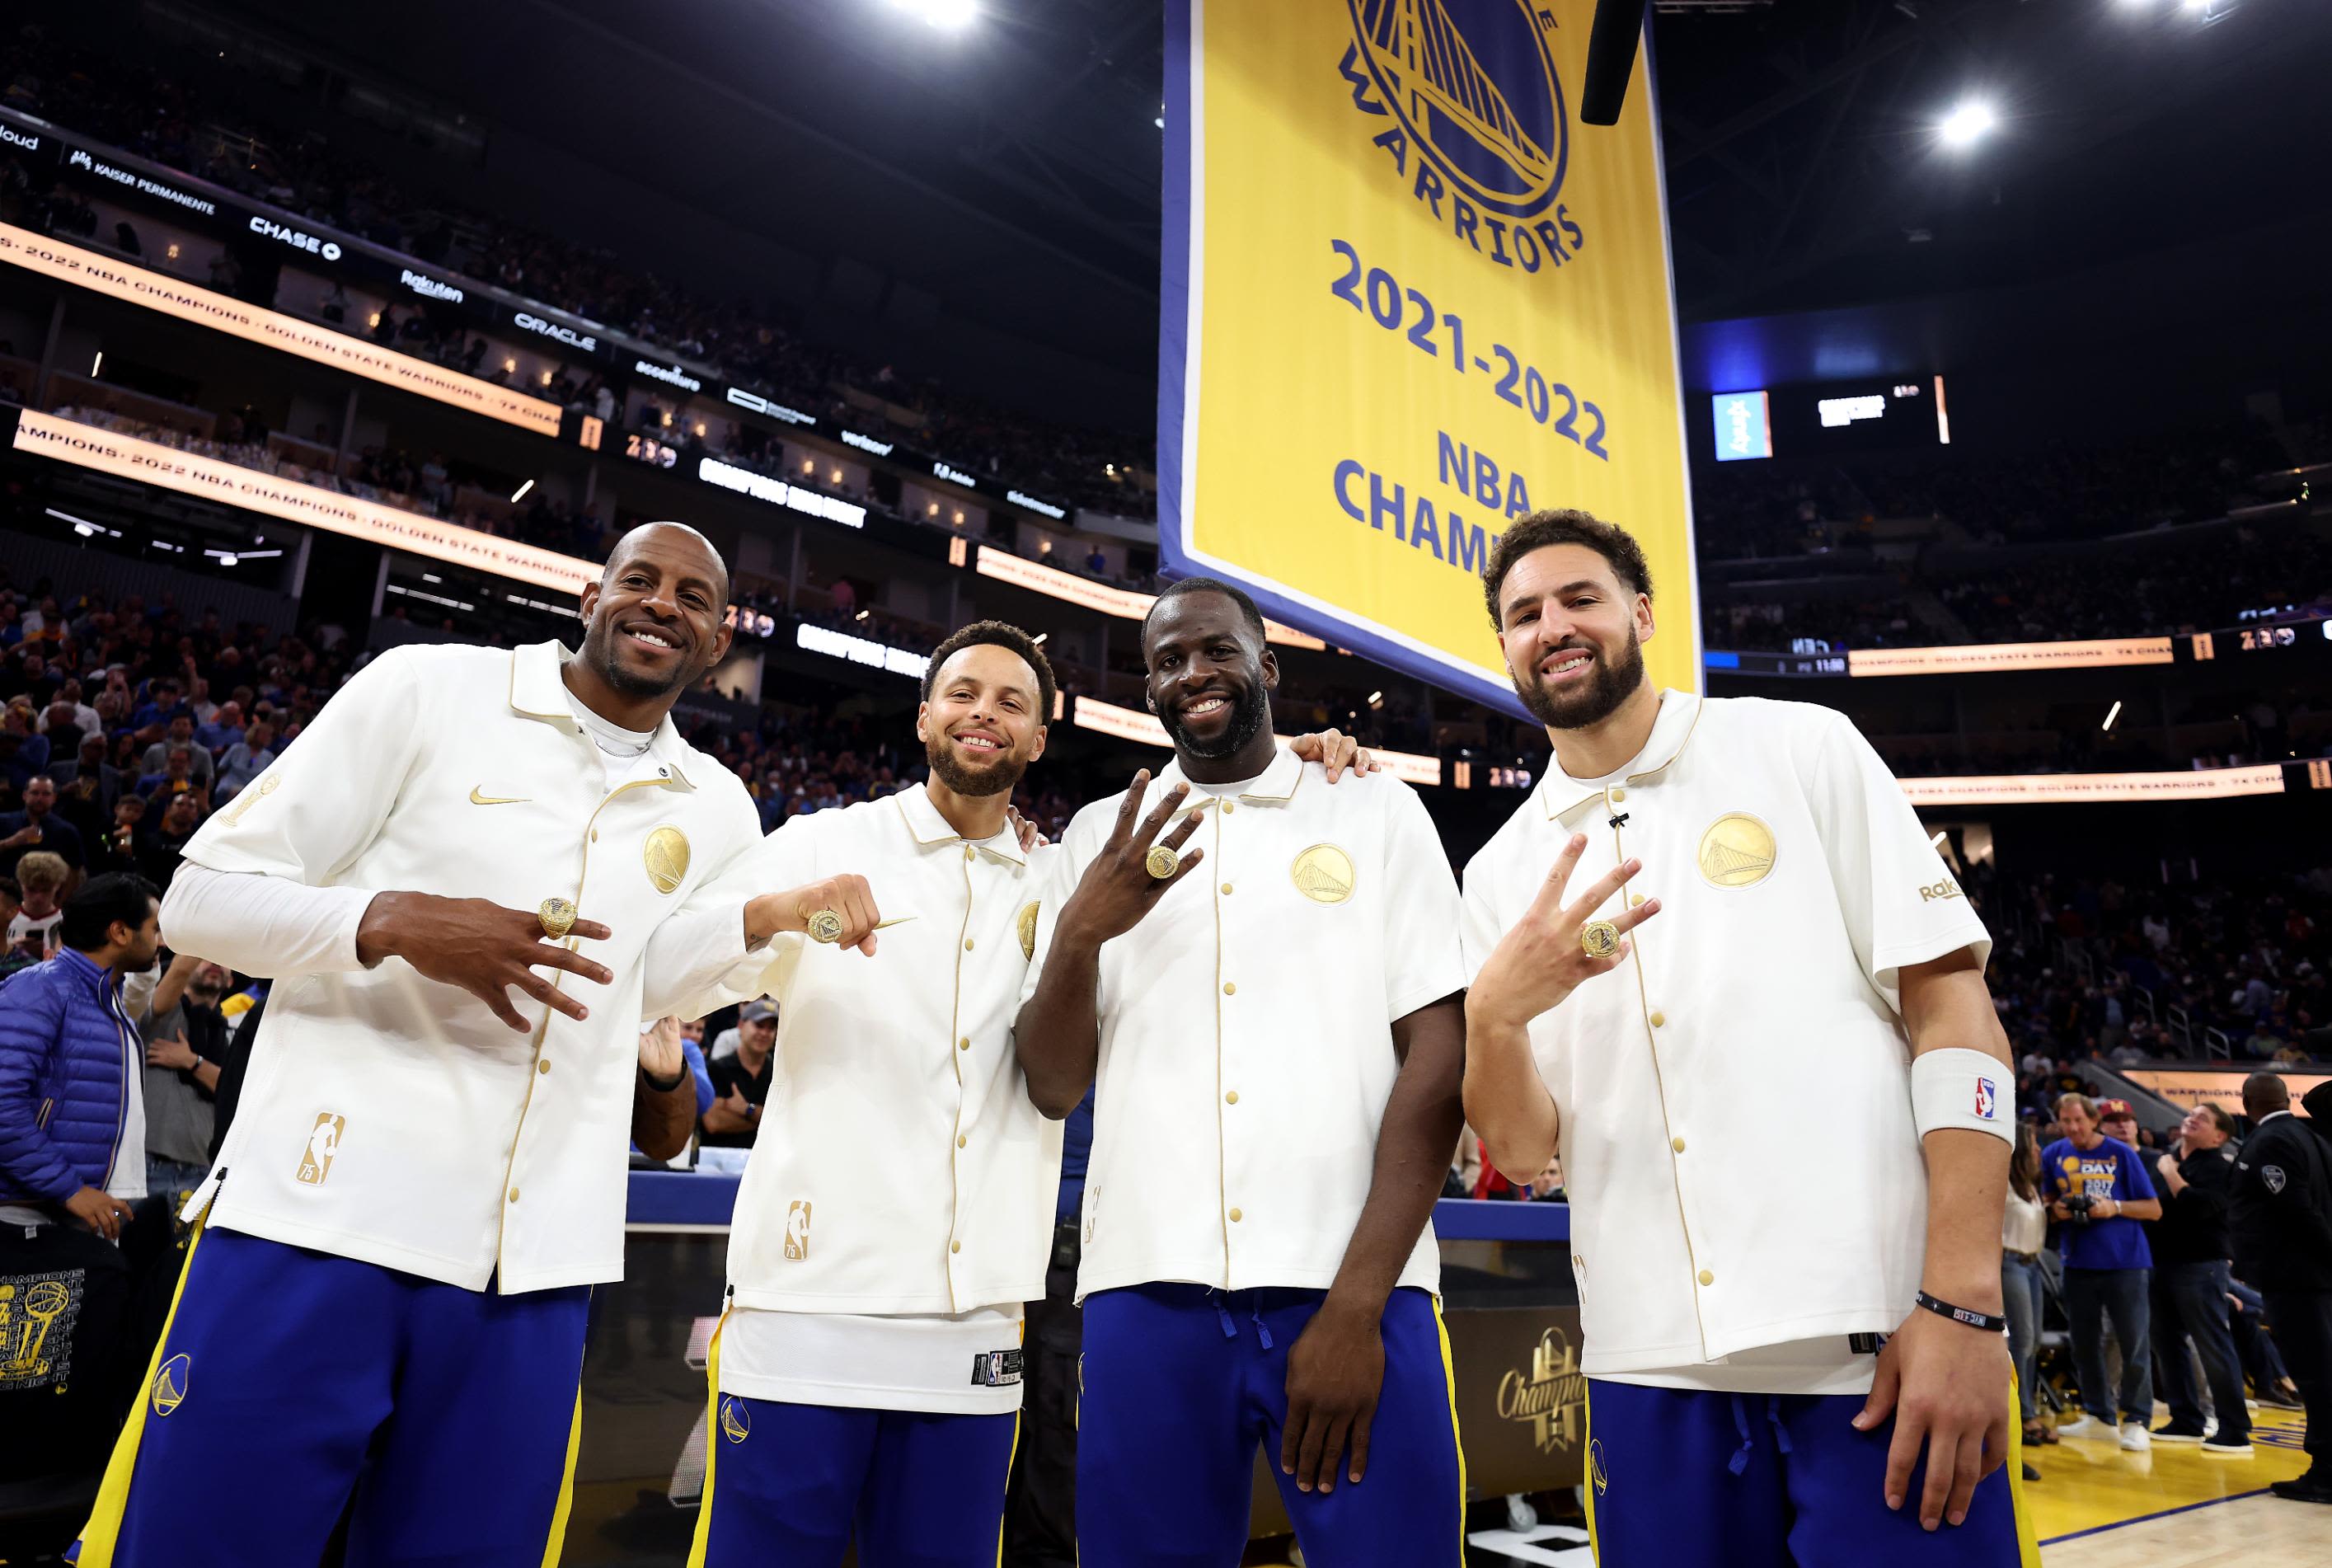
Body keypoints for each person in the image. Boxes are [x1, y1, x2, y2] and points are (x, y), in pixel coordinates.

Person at [69, 523, 847, 1567]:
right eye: (642, 580)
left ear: (718, 645)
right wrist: (391, 921)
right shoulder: (429, 690)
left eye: (695, 598)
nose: (664, 604)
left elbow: (647, 985)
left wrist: (768, 919)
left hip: (528, 1279)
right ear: (590, 596)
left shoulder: (719, 807)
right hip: (319, 1225)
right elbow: (203, 903)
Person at [1457, 510, 2034, 1563]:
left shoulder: (1797, 744)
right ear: (1503, 646)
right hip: (1646, 1369)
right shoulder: (1498, 873)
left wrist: (1965, 1302)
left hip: (1875, 1349)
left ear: (1640, 611)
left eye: (1579, 597)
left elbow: (1955, 1011)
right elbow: (1525, 1150)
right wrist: (1493, 1015)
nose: (1553, 626)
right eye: (1523, 613)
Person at [1016, 578, 1468, 1567]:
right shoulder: (1098, 837)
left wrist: (1356, 1308)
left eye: (1216, 651)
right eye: (1169, 661)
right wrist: (1083, 931)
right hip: (1144, 1290)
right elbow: (1051, 1086)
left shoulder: (1372, 809)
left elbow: (1438, 1056)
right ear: (1150, 690)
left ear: (1268, 666)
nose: (1194, 675)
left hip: (1352, 1287)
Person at [0, 873, 159, 1237]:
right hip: (25, 1215)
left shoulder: (105, 998)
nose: (159, 940)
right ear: (120, 932)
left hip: (73, 1211)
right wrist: (68, 1187)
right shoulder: (41, 986)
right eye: (154, 928)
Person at [2230, 1073, 2332, 1504]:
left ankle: (2326, 1472)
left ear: (2247, 1101)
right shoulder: (2312, 1135)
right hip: (2311, 1278)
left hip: (2296, 1278)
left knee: (2315, 1376)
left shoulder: (2271, 1142)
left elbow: (2298, 1212)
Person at [2041, 1092, 2161, 1449]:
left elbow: (2153, 1209)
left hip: (2125, 1262)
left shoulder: (2120, 1153)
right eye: (2067, 1121)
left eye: (2079, 1120)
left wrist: (2115, 1207)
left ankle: (2138, 1417)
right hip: (2077, 1263)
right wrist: (2057, 1211)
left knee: (2133, 1342)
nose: (2074, 1127)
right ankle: (2098, 1412)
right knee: (2084, 1344)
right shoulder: (2053, 1154)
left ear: (2093, 1120)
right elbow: (2048, 1201)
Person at [2144, 1103, 2251, 1454]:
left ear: (2220, 1135)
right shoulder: (2169, 1159)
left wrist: (2171, 1173)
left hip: (2201, 1265)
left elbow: (2200, 1207)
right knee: (2168, 1344)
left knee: (2212, 1345)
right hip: (2161, 1264)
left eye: (2202, 1118)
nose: (2191, 1119)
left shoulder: (2220, 1165)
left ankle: (2235, 1429)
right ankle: (2186, 1419)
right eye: (2191, 1114)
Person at [133, 954, 235, 1203]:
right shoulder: (161, 1012)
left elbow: (234, 1091)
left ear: (232, 980)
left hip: (203, 1171)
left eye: (221, 957)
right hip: (147, 1164)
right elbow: (178, 972)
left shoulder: (231, 1034)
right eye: (204, 956)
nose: (214, 961)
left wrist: (191, 1061)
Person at [2002, 1123, 2050, 1451]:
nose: (2038, 1148)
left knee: (2032, 1343)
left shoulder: (2029, 1184)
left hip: (2033, 1266)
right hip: (2009, 1263)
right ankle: (2023, 1414)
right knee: (2021, 1342)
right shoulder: (2003, 1181)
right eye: (2033, 1142)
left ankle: (2027, 1409)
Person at [699, 999, 777, 1149]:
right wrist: (765, 1121)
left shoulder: (779, 1074)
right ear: (741, 1025)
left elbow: (787, 1122)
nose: (764, 1033)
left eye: (771, 1028)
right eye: (759, 1025)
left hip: (763, 1162)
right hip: (717, 1162)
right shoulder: (716, 1069)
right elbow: (714, 1122)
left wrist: (747, 1108)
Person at [1, 776, 88, 876]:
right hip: (6, 888)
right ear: (24, 795)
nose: (39, 798)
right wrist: (10, 842)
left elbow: (76, 869)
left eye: (46, 794)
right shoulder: (3, 822)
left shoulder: (67, 831)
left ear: (54, 798)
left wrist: (64, 893)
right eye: (35, 793)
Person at [8, 850, 69, 959]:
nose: (38, 898)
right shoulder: (5, 919)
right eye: (31, 890)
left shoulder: (67, 923)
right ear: (21, 884)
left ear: (58, 886)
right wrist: (14, 951)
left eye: (46, 890)